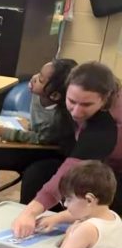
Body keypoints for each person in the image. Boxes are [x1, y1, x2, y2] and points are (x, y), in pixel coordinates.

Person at [13, 62, 122, 238]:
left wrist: (31, 212)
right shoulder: (76, 83)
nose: (77, 112)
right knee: (39, 172)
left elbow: (70, 171)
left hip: (115, 174)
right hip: (98, 164)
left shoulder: (107, 127)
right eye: (72, 101)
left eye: (86, 105)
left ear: (104, 100)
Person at [35, 161, 122, 248]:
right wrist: (55, 218)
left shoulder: (86, 229)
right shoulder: (113, 216)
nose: (66, 204)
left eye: (69, 199)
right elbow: (77, 214)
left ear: (89, 200)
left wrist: (70, 232)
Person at [0, 58, 76, 145]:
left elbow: (40, 139)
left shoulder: (57, 119)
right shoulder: (38, 94)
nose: (34, 77)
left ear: (54, 95)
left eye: (40, 79)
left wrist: (4, 132)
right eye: (39, 73)